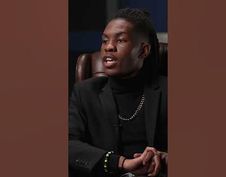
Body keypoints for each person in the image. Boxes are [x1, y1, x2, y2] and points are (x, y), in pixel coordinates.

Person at [69, 8, 167, 177]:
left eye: (120, 40)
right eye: (104, 40)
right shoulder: (85, 92)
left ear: (143, 51)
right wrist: (120, 163)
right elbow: (68, 144)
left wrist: (165, 158)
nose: (109, 47)